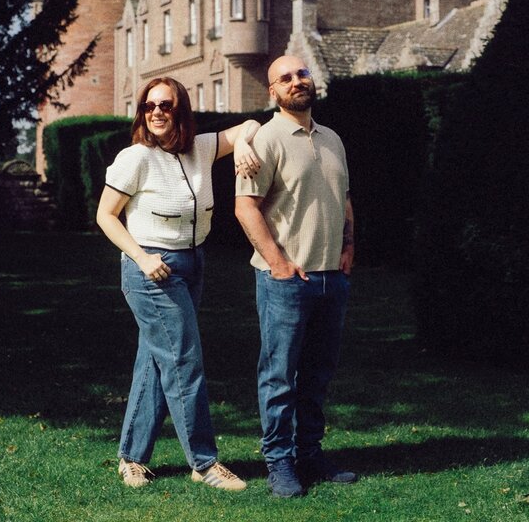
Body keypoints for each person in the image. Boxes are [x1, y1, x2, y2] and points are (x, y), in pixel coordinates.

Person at [96, 76, 261, 491]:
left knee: (156, 360)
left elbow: (251, 125)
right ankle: (204, 463)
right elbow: (105, 216)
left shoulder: (201, 148)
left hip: (192, 264)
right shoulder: (135, 158)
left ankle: (131, 458)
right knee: (184, 361)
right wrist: (142, 257)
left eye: (165, 105)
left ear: (180, 110)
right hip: (153, 269)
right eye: (149, 106)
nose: (156, 112)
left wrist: (242, 144)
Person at [234, 55, 357, 498]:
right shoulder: (265, 139)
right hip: (285, 282)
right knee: (280, 376)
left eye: (301, 74)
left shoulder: (333, 139)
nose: (295, 81)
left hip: (331, 279)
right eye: (284, 78)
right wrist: (278, 263)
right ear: (273, 91)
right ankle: (279, 462)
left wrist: (348, 247)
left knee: (318, 375)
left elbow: (343, 198)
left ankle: (310, 454)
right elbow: (245, 205)